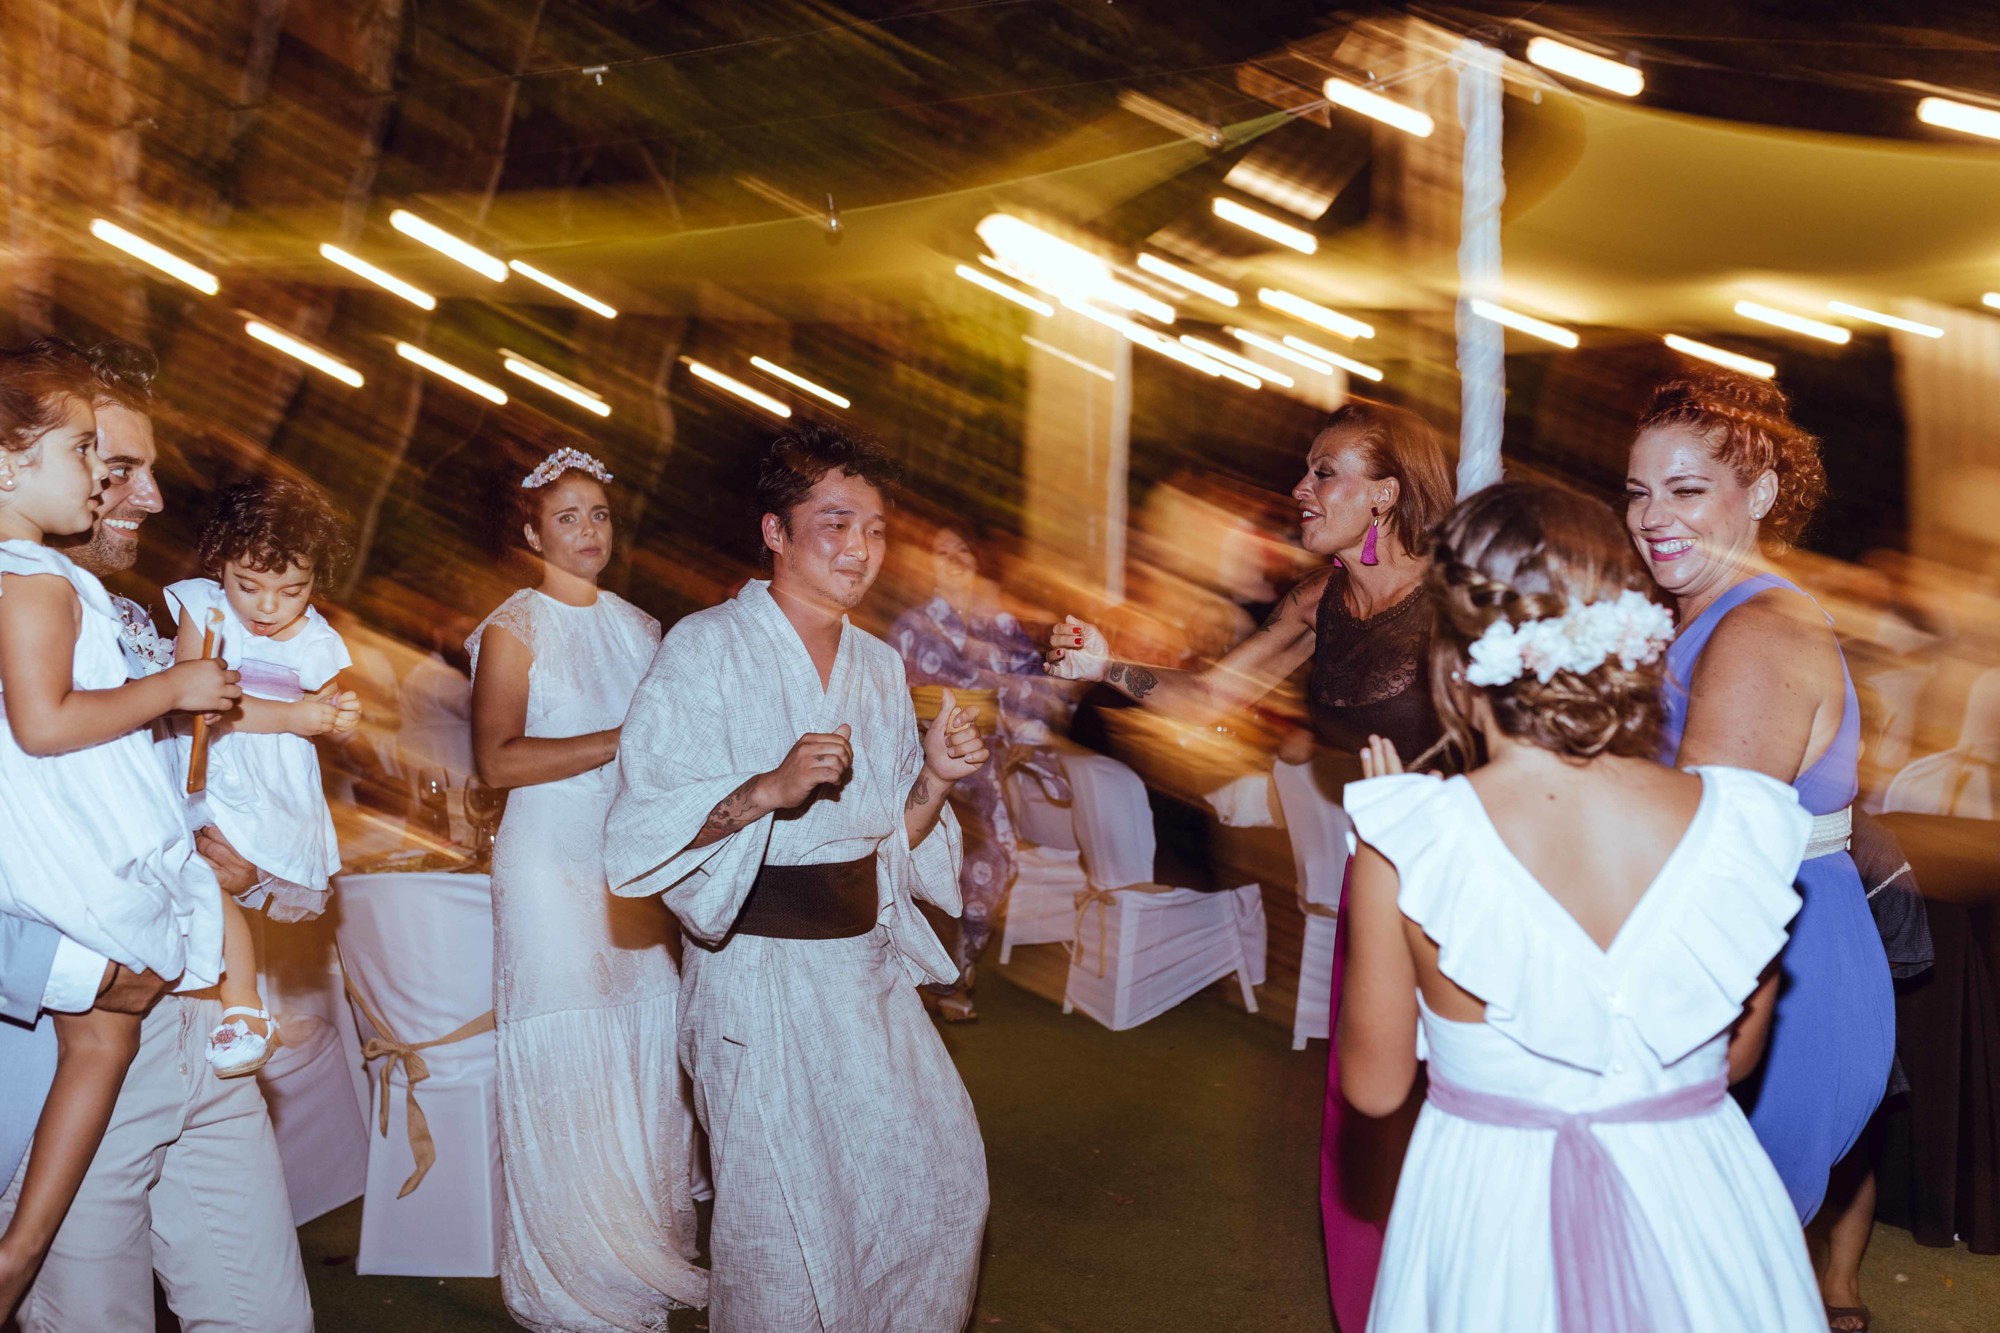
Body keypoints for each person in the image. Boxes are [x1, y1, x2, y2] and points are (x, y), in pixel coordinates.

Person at [1342, 480, 1825, 1331]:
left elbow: (1376, 1088)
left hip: (1494, 1210)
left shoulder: (1408, 841)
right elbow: (1735, 1059)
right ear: (1624, 633)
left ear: (1451, 657)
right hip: (1696, 1202)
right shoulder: (1738, 825)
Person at [1045, 398, 1454, 1331]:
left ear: (1386, 494)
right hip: (1376, 872)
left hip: (1468, 875)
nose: (1300, 489)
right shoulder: (1321, 599)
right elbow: (1211, 699)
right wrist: (1110, 666)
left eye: (1324, 473)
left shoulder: (1459, 598)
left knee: (1461, 1102)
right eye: (1307, 470)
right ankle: (1378, 1308)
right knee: (1368, 1105)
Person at [604, 422, 991, 1332]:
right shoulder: (704, 650)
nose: (861, 548)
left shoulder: (881, 664)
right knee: (781, 1227)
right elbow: (639, 837)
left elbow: (887, 837)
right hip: (757, 980)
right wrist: (766, 789)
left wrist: (934, 778)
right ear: (775, 531)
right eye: (836, 523)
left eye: (877, 528)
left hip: (865, 974)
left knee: (936, 1189)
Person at [0, 338, 314, 1333]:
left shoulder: (133, 617)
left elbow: (156, 804)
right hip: (74, 1028)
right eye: (111, 463)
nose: (144, 496)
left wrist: (239, 878)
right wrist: (51, 972)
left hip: (198, 1022)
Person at [1626, 372, 1895, 1325]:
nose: (1653, 516)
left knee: (1721, 1274)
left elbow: (1697, 847)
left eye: (1687, 489)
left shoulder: (1756, 631)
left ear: (1764, 496)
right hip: (1759, 955)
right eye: (1639, 490)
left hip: (1774, 976)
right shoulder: (1709, 612)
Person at [469, 445, 708, 1329]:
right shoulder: (513, 626)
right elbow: (495, 761)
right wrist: (624, 735)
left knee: (645, 1040)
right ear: (532, 531)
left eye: (598, 514)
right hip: (544, 862)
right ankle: (576, 1279)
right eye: (566, 516)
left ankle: (641, 1248)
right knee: (571, 1050)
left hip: (626, 863)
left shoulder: (644, 627)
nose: (587, 531)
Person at [167, 475, 361, 1076]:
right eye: (247, 586)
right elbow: (194, 700)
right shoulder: (206, 610)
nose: (267, 608)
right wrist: (298, 716)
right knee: (201, 873)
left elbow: (330, 710)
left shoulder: (318, 639)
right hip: (210, 758)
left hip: (273, 784)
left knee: (228, 883)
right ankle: (243, 1004)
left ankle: (243, 1006)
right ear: (219, 564)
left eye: (292, 591)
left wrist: (338, 720)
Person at [890, 522, 1072, 1021]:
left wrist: (1027, 730)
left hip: (985, 762)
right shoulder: (910, 626)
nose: (954, 555)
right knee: (923, 864)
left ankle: (958, 975)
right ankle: (917, 973)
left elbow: (1034, 683)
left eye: (962, 546)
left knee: (995, 862)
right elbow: (890, 700)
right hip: (924, 763)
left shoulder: (1000, 621)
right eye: (941, 549)